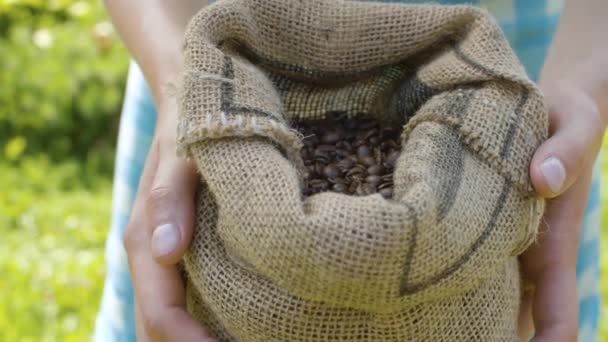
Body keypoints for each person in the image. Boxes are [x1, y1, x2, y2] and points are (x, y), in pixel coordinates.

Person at [95, 0, 607, 341]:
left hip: (529, 66)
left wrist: (582, 86)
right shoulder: (216, 100)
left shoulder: (498, 119)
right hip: (200, 72)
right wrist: (179, 75)